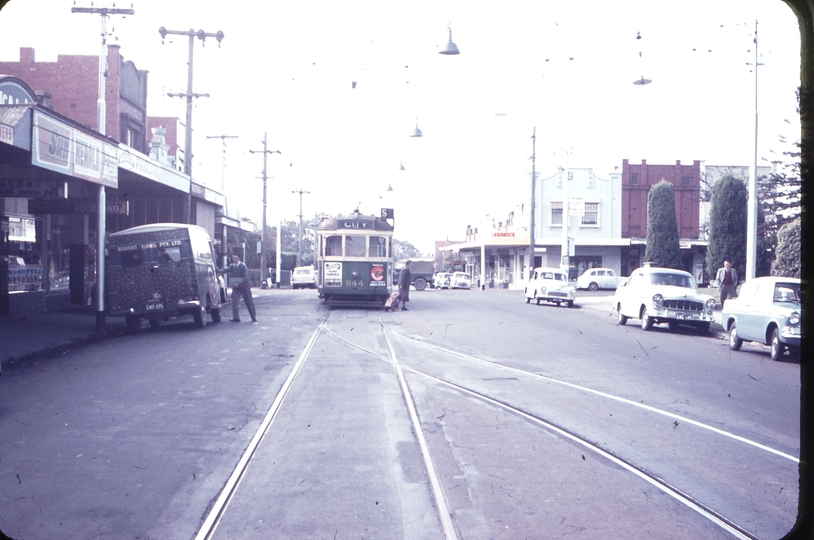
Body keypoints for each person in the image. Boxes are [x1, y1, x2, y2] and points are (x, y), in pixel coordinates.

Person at [219, 253, 257, 322]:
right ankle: (236, 317)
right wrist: (218, 270)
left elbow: (246, 277)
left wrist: (239, 283)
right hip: (236, 287)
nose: (235, 260)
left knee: (248, 301)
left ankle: (253, 317)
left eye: (236, 258)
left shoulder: (243, 266)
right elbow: (225, 270)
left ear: (239, 259)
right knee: (235, 301)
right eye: (233, 258)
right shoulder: (232, 266)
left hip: (244, 286)